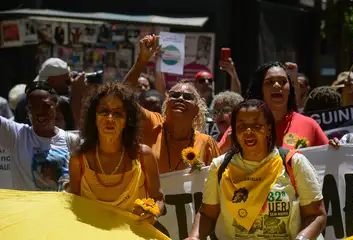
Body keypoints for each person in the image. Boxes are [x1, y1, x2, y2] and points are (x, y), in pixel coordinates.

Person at [187, 99, 326, 240]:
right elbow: (207, 214)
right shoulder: (219, 167)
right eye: (242, 126)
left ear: (268, 128)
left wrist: (302, 238)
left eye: (256, 125)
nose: (248, 131)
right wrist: (194, 237)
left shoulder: (294, 163)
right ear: (234, 130)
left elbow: (316, 215)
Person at [122, 35, 221, 174]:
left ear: (197, 110)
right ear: (166, 104)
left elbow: (218, 183)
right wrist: (142, 60)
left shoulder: (207, 143)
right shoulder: (152, 124)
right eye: (174, 95)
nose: (180, 98)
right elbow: (122, 98)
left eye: (187, 97)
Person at [67, 83, 165, 222]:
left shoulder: (144, 155)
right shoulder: (79, 158)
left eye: (118, 113)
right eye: (104, 111)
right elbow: (73, 202)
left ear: (127, 120)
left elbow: (158, 198)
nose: (110, 118)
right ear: (93, 117)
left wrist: (153, 212)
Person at [219, 62, 328, 152]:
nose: (277, 85)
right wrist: (226, 146)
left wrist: (334, 147)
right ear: (260, 89)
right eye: (269, 82)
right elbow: (211, 162)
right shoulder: (241, 126)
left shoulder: (309, 125)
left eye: (283, 81)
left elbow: (330, 159)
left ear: (289, 88)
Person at [0, 81, 77, 191]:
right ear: (28, 112)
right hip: (28, 208)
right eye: (34, 107)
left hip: (60, 208)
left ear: (56, 107)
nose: (40, 112)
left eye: (46, 106)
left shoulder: (73, 141)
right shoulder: (16, 135)